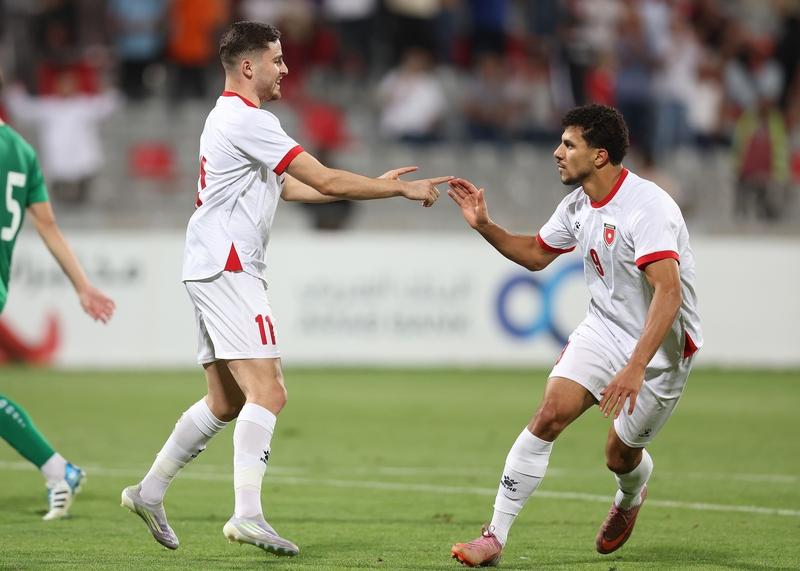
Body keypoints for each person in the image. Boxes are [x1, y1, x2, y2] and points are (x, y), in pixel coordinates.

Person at [121, 21, 449, 557]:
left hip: (208, 263)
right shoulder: (249, 119)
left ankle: (149, 491)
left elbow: (290, 187)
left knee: (226, 400)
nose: (285, 68)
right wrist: (396, 190)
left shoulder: (226, 117)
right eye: (277, 59)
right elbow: (324, 178)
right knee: (269, 391)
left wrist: (377, 185)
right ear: (248, 66)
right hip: (229, 265)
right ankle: (247, 514)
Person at [448, 104, 702, 567]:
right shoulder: (578, 205)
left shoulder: (648, 207)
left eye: (569, 144)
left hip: (661, 352)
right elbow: (536, 254)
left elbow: (669, 293)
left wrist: (636, 366)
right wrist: (485, 226)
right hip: (603, 330)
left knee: (619, 455)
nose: (557, 152)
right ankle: (494, 537)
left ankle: (631, 494)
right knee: (549, 414)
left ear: (599, 155)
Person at [0, 69, 115, 520]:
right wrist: (82, 286)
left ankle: (58, 469)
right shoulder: (22, 151)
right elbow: (47, 226)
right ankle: (57, 469)